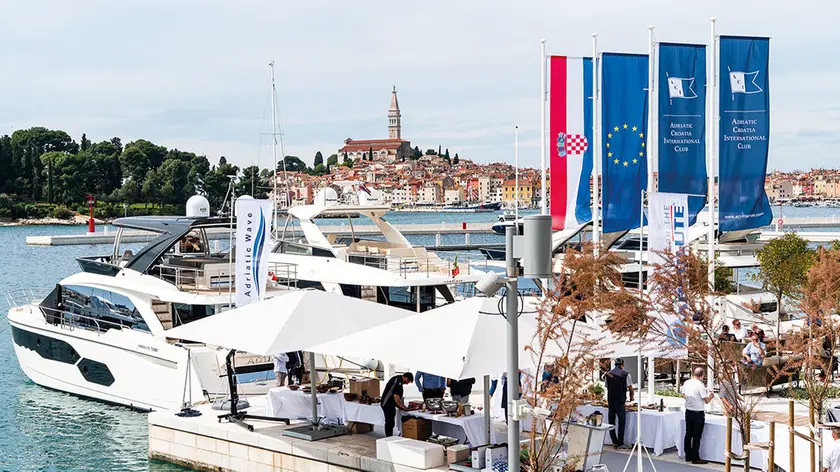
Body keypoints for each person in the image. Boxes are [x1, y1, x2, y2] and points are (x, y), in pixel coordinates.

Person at [681, 367, 714, 465]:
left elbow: (683, 394)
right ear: (702, 376)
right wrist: (711, 396)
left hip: (688, 411)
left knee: (688, 434)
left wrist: (689, 400)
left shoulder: (687, 382)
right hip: (698, 413)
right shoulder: (700, 385)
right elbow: (706, 401)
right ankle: (695, 457)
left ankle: (688, 455)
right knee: (696, 436)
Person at [604, 358, 634, 450]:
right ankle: (620, 443)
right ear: (622, 365)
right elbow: (630, 389)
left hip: (611, 401)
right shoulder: (626, 374)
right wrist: (631, 398)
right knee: (621, 422)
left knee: (611, 422)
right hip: (620, 401)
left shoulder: (608, 374)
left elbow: (607, 387)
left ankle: (614, 442)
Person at [381, 372, 414, 437]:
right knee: (389, 422)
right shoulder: (398, 382)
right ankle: (388, 437)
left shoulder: (397, 379)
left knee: (390, 422)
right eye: (408, 381)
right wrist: (404, 407)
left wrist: (401, 406)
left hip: (389, 404)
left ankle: (389, 436)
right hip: (387, 404)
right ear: (406, 377)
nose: (407, 383)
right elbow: (396, 397)